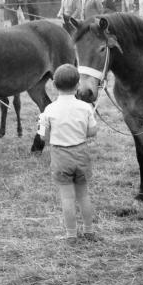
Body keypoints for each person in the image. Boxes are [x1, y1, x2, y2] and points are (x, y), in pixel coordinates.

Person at [37, 63, 99, 243]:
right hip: (81, 153)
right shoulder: (85, 108)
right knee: (83, 195)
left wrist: (41, 124)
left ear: (54, 85)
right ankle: (89, 231)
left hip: (60, 156)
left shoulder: (49, 110)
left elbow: (44, 138)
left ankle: (71, 234)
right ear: (78, 85)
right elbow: (92, 132)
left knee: (67, 198)